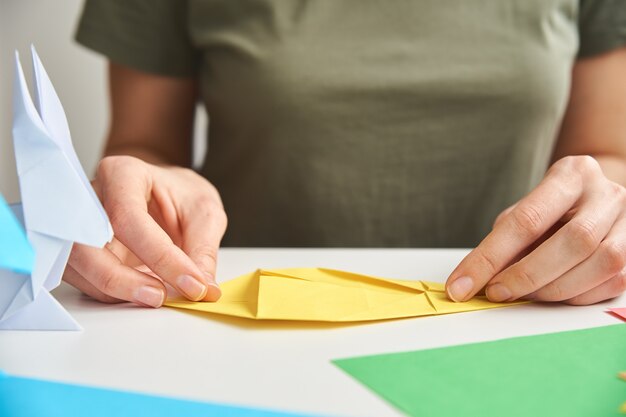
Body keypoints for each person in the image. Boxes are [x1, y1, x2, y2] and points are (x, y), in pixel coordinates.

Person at [68, 0, 626, 309]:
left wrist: (604, 217)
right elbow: (145, 146)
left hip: (519, 321)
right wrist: (136, 200)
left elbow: (607, 158)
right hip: (235, 327)